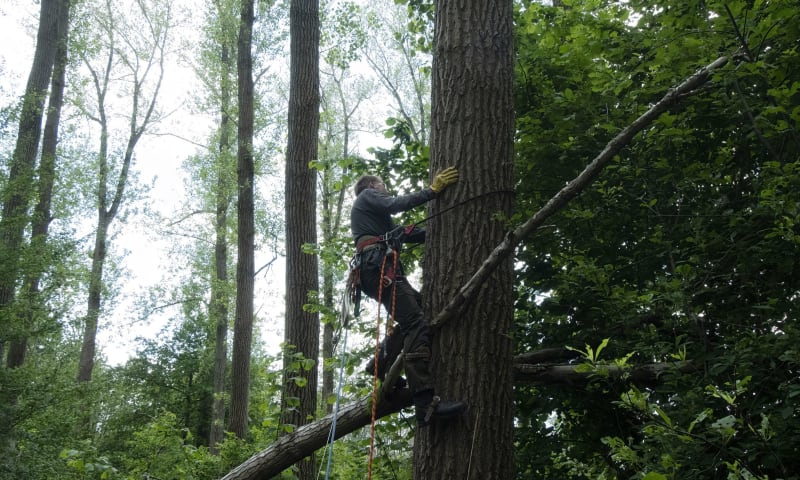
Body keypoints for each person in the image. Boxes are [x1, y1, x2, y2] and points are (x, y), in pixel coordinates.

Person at [350, 167, 466, 426]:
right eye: (382, 185)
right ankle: (425, 403)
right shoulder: (368, 195)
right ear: (371, 186)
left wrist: (443, 229)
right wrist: (432, 192)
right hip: (377, 266)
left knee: (415, 312)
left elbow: (405, 233)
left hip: (376, 268)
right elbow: (395, 204)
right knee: (416, 322)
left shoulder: (377, 221)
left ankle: (380, 363)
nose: (385, 189)